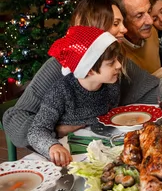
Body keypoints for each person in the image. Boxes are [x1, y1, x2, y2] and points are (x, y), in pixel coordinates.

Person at [3, 0, 162, 149]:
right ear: (94, 29)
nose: (124, 29)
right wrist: (57, 129)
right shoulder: (57, 67)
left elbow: (153, 93)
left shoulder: (117, 63)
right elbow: (14, 120)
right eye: (116, 23)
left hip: (101, 146)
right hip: (61, 152)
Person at [27, 26, 123, 166]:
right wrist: (53, 146)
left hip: (102, 147)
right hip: (70, 154)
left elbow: (109, 115)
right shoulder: (61, 92)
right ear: (89, 70)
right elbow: (36, 131)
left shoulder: (111, 84)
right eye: (111, 63)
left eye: (117, 60)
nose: (119, 65)